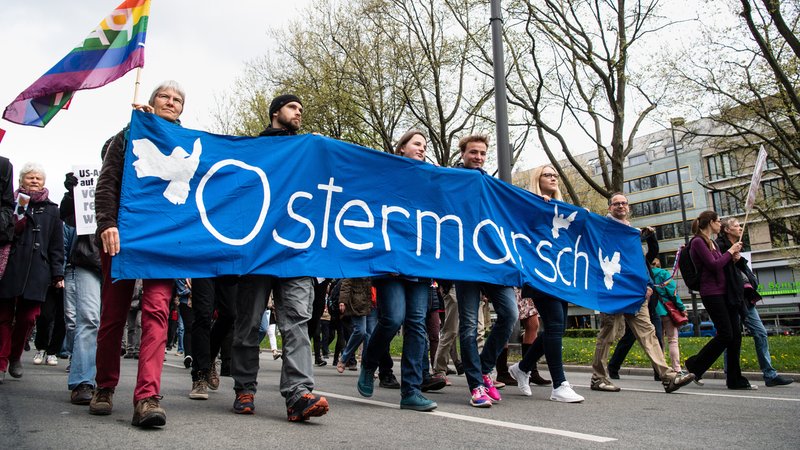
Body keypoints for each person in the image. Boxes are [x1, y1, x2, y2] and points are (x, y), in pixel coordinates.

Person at [90, 81, 187, 427]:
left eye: (177, 100)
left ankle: (147, 396)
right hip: (122, 236)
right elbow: (108, 179)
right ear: (151, 102)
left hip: (162, 243)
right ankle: (104, 386)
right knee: (114, 315)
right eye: (164, 96)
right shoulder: (128, 135)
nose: (170, 102)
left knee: (158, 314)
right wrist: (106, 223)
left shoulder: (186, 142)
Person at [230, 94, 328, 422]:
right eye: (292, 108)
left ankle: (298, 394)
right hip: (258, 251)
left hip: (296, 251)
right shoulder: (253, 149)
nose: (299, 112)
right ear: (276, 113)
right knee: (248, 321)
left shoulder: (307, 152)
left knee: (297, 321)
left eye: (302, 108)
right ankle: (244, 387)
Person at [356, 129, 438, 412]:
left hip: (418, 262)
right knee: (393, 319)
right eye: (417, 144)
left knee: (416, 323)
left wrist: (442, 178)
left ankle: (411, 391)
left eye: (425, 146)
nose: (422, 149)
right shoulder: (385, 176)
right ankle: (369, 362)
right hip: (389, 261)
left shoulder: (429, 179)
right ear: (401, 148)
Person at [589, 193, 694, 393]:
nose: (620, 206)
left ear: (628, 207)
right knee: (608, 332)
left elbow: (638, 261)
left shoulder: (632, 232)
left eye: (623, 203)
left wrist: (648, 285)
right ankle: (599, 377)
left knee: (648, 333)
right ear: (609, 208)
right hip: (613, 289)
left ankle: (668, 376)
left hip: (636, 292)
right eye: (616, 203)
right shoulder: (604, 227)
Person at [452, 135, 519, 408]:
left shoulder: (490, 185)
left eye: (482, 153)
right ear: (463, 154)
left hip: (492, 261)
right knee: (469, 326)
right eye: (473, 152)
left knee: (510, 313)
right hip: (465, 263)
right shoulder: (452, 178)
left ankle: (484, 368)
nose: (478, 157)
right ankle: (476, 385)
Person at [509, 165, 582, 403]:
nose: (553, 178)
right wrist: (537, 207)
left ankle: (522, 367)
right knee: (554, 325)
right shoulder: (530, 203)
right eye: (547, 175)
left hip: (560, 275)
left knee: (556, 328)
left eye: (555, 175)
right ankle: (560, 384)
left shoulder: (560, 209)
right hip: (541, 275)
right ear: (536, 179)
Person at [0, 163, 64, 383]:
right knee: (4, 317)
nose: (34, 181)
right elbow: (7, 231)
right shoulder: (13, 202)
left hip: (38, 269)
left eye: (38, 178)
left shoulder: (52, 209)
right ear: (21, 181)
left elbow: (56, 245)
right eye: (30, 178)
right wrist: (18, 217)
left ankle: (15, 355)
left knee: (28, 318)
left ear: (44, 182)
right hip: (11, 266)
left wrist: (58, 274)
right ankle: (1, 362)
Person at [715, 217, 793, 387]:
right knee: (732, 338)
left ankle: (770, 374)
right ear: (727, 230)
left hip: (745, 298)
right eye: (736, 226)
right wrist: (730, 257)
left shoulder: (738, 247)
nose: (739, 228)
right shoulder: (720, 246)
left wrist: (739, 260)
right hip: (732, 299)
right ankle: (731, 373)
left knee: (761, 333)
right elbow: (718, 269)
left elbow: (743, 271)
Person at [60, 172, 103, 404]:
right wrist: (71, 194)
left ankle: (104, 381)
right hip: (89, 260)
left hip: (119, 262)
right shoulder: (93, 185)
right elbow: (68, 217)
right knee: (88, 319)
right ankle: (83, 380)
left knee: (107, 324)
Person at [336, 278, 374, 373]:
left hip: (374, 302)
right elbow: (346, 281)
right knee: (361, 331)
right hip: (359, 302)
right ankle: (344, 358)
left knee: (370, 335)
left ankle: (366, 368)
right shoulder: (356, 263)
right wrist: (343, 301)